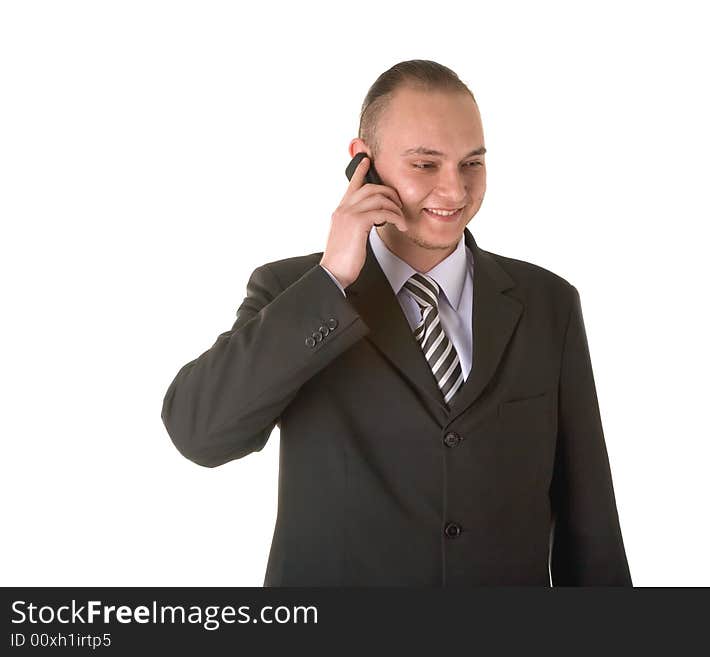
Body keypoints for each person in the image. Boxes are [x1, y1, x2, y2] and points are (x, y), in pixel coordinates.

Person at [161, 60, 632, 586]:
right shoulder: (293, 292)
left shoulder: (549, 303)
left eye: (471, 163)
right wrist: (332, 277)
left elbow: (589, 520)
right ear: (364, 162)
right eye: (426, 165)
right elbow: (199, 434)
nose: (454, 192)